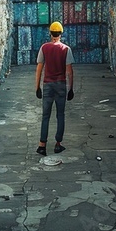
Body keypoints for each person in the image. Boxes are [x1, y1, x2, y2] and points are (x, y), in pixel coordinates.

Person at [34, 21, 74, 155]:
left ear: (50, 33)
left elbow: (39, 68)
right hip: (61, 85)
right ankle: (58, 144)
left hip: (47, 85)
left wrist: (37, 87)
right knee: (60, 115)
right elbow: (69, 71)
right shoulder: (66, 49)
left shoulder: (44, 48)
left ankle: (42, 145)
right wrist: (71, 88)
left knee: (45, 116)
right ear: (61, 34)